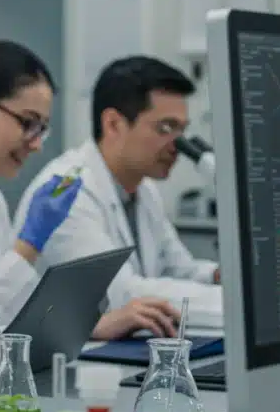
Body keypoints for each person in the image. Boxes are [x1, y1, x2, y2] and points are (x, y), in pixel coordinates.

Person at [0, 42, 181, 341]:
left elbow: (8, 312)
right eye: (28, 123)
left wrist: (93, 326)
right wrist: (28, 243)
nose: (36, 144)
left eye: (42, 129)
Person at [14, 55, 219, 325]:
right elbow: (120, 296)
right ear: (113, 124)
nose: (177, 146)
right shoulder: (65, 190)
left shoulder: (143, 190)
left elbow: (180, 269)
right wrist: (232, 303)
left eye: (181, 131)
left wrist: (216, 276)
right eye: (165, 128)